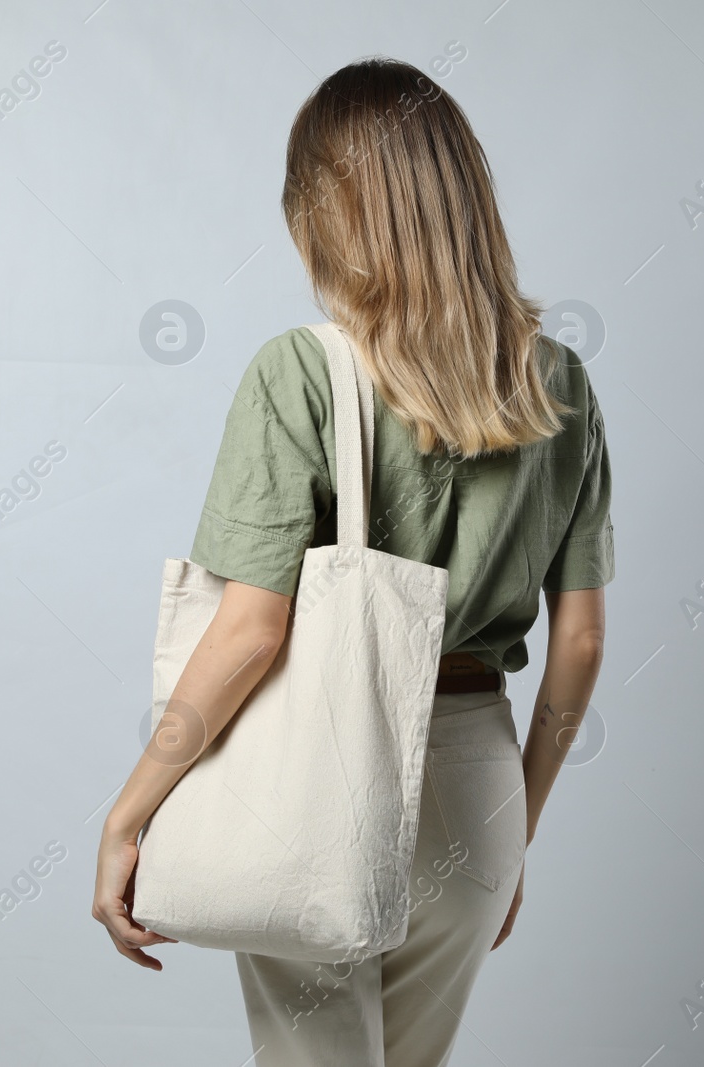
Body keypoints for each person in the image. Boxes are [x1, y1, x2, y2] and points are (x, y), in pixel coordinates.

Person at [92, 55, 614, 1066]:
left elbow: (251, 629)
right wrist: (519, 823)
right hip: (479, 781)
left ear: (322, 213)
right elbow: (581, 642)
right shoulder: (561, 384)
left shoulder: (299, 372)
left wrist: (131, 808)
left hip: (319, 774)